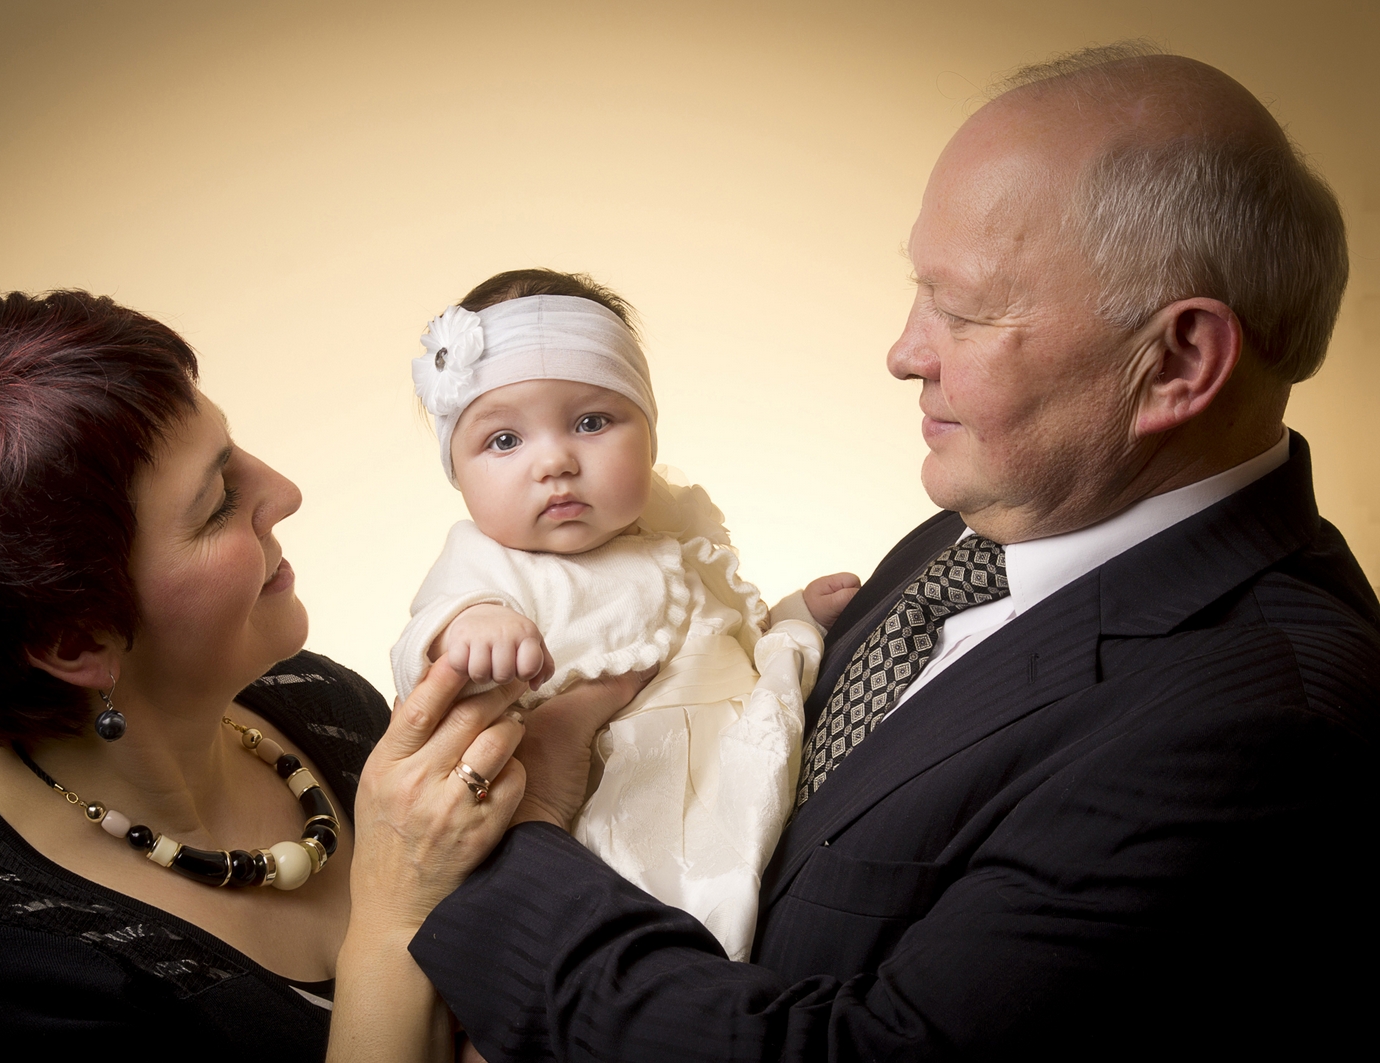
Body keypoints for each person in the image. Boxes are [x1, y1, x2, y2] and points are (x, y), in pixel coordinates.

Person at [364, 44, 1378, 1059]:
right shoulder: (997, 517)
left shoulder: (1253, 724)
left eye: (966, 309)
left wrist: (512, 839)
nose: (904, 352)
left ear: (1179, 360)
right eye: (917, 290)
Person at [0, 290, 574, 1061]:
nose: (286, 492)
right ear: (75, 641)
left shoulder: (314, 700)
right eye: (220, 500)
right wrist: (396, 911)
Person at [394, 269, 847, 960]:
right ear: (456, 469)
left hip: (735, 770)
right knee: (678, 944)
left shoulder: (663, 525)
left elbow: (719, 631)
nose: (555, 461)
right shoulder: (485, 565)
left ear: (649, 430)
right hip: (620, 818)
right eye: (504, 440)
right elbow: (421, 650)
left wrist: (791, 615)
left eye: (591, 422)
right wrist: (471, 629)